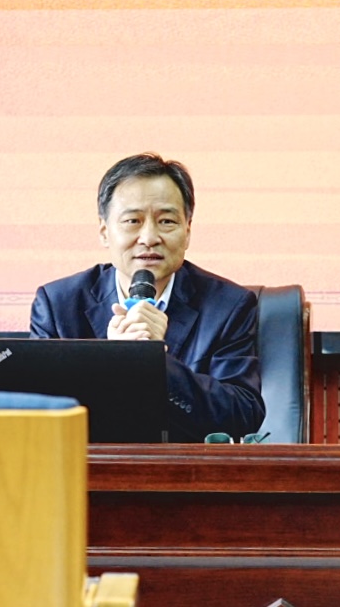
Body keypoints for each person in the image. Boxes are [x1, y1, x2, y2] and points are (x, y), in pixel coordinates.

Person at [29, 152, 265, 442]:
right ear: (104, 232)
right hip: (85, 466)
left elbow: (242, 416)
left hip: (185, 467)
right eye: (133, 221)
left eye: (166, 221)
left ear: (187, 231)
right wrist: (111, 361)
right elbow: (37, 416)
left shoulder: (228, 306)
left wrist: (157, 362)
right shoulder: (59, 304)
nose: (149, 237)